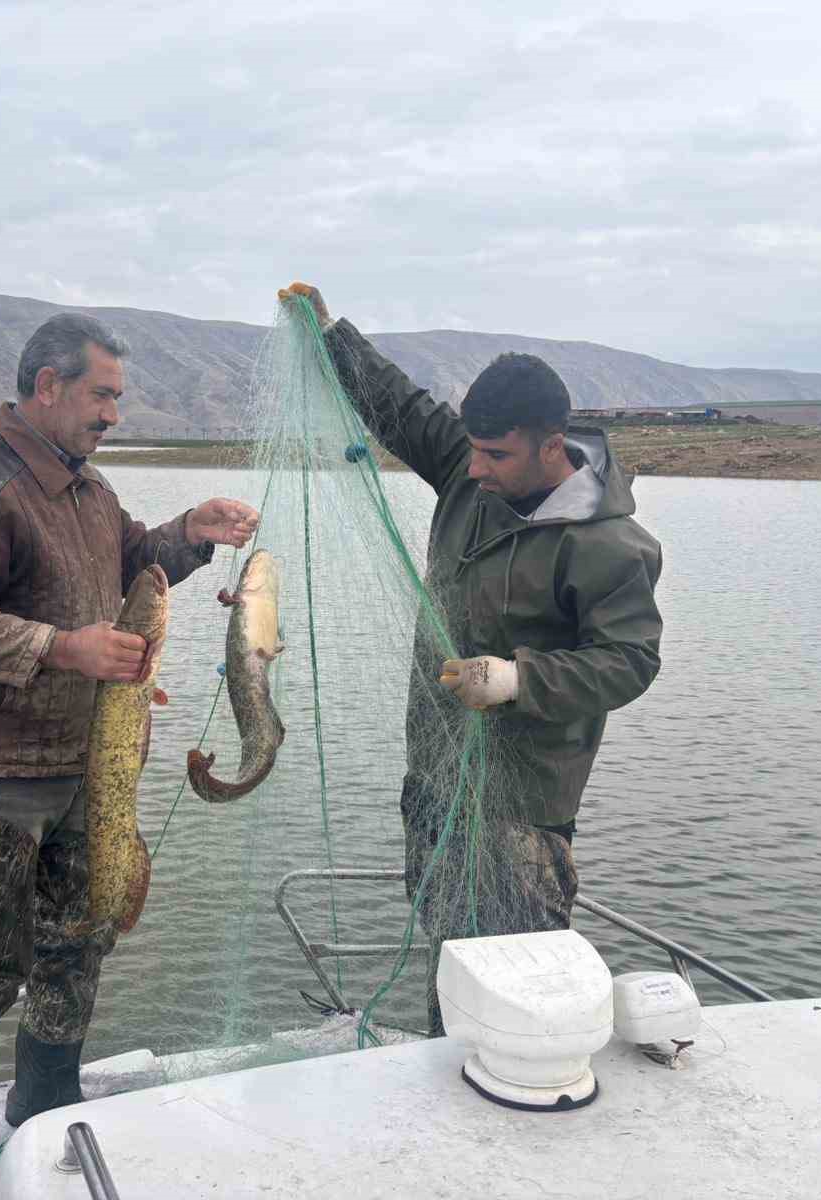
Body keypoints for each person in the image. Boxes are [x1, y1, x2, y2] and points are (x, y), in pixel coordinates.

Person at [0, 312, 259, 1199]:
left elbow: (134, 560)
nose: (112, 414)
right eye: (101, 395)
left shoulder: (86, 490)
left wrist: (192, 529)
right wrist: (67, 649)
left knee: (76, 951)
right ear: (47, 386)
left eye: (118, 399)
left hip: (85, 773)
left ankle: (44, 1117)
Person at [280, 282, 663, 1035]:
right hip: (435, 778)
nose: (475, 469)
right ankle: (446, 1077)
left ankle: (513, 1108)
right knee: (447, 953)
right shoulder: (471, 472)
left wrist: (519, 679)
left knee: (516, 977)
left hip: (523, 810)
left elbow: (629, 661)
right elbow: (402, 408)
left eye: (495, 454)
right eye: (473, 449)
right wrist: (332, 339)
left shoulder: (612, 547)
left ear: (552, 448)